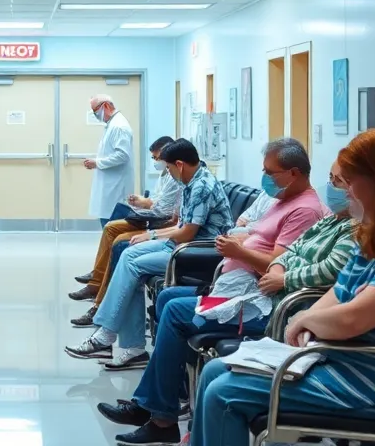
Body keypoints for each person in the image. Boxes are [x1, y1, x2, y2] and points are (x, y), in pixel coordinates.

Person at [191, 128, 375, 446]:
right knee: (215, 371)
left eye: (349, 181)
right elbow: (339, 291)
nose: (345, 192)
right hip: (344, 361)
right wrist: (313, 321)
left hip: (374, 387)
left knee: (223, 393)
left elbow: (353, 319)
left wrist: (303, 320)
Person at [102, 161, 356, 444]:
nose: (265, 177)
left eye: (337, 181)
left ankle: (160, 411)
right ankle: (165, 395)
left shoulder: (308, 211)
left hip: (267, 303)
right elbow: (287, 254)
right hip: (248, 288)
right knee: (169, 298)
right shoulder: (316, 215)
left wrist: (276, 271)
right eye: (330, 178)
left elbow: (315, 269)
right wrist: (276, 263)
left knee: (174, 310)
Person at [66, 138, 233, 369]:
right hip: (182, 245)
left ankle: (106, 336)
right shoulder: (191, 181)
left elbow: (187, 232)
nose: (168, 173)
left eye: (169, 168)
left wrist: (153, 235)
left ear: (180, 164)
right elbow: (180, 225)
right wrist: (152, 234)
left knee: (134, 266)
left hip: (198, 252)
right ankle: (130, 347)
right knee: (127, 253)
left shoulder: (202, 186)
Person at [70, 136, 180, 309]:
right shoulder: (167, 173)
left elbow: (169, 214)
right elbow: (161, 202)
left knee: (120, 241)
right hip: (154, 219)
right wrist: (143, 203)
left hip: (160, 224)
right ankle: (95, 283)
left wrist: (145, 205)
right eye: (154, 158)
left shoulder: (180, 178)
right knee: (111, 227)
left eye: (158, 158)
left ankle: (101, 304)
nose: (156, 162)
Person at [84, 94, 135, 227]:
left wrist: (97, 163)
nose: (95, 115)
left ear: (106, 105)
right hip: (110, 189)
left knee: (113, 230)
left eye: (95, 111)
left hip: (116, 190)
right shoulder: (112, 124)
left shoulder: (119, 126)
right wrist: (98, 162)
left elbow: (123, 155)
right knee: (108, 228)